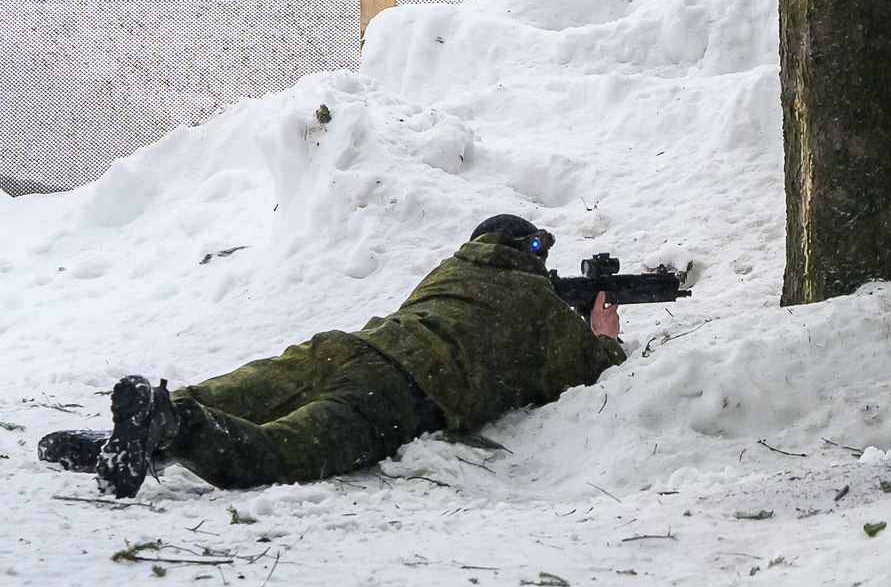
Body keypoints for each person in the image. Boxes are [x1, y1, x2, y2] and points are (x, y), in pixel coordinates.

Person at [40, 216, 626, 498]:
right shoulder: (536, 303)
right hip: (397, 393)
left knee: (242, 390)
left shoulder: (451, 269)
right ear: (533, 253)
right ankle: (175, 425)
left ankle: (149, 419)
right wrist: (602, 335)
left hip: (345, 348)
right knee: (276, 452)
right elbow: (588, 373)